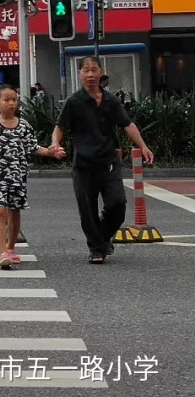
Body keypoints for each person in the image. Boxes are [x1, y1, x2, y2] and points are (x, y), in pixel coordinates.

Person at [51, 56, 154, 264]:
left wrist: (143, 146)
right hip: (83, 165)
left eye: (94, 70)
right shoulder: (74, 102)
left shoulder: (111, 101)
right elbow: (59, 128)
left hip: (108, 162)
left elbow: (127, 124)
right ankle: (96, 248)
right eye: (86, 70)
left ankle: (103, 237)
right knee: (87, 210)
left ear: (101, 72)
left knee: (118, 204)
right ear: (79, 74)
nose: (90, 74)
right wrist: (55, 145)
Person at [0, 85, 66, 269]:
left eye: (14, 99)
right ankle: (2, 252)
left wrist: (52, 152)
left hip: (18, 175)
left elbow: (35, 148)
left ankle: (11, 248)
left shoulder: (24, 126)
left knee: (15, 211)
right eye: (6, 99)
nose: (11, 103)